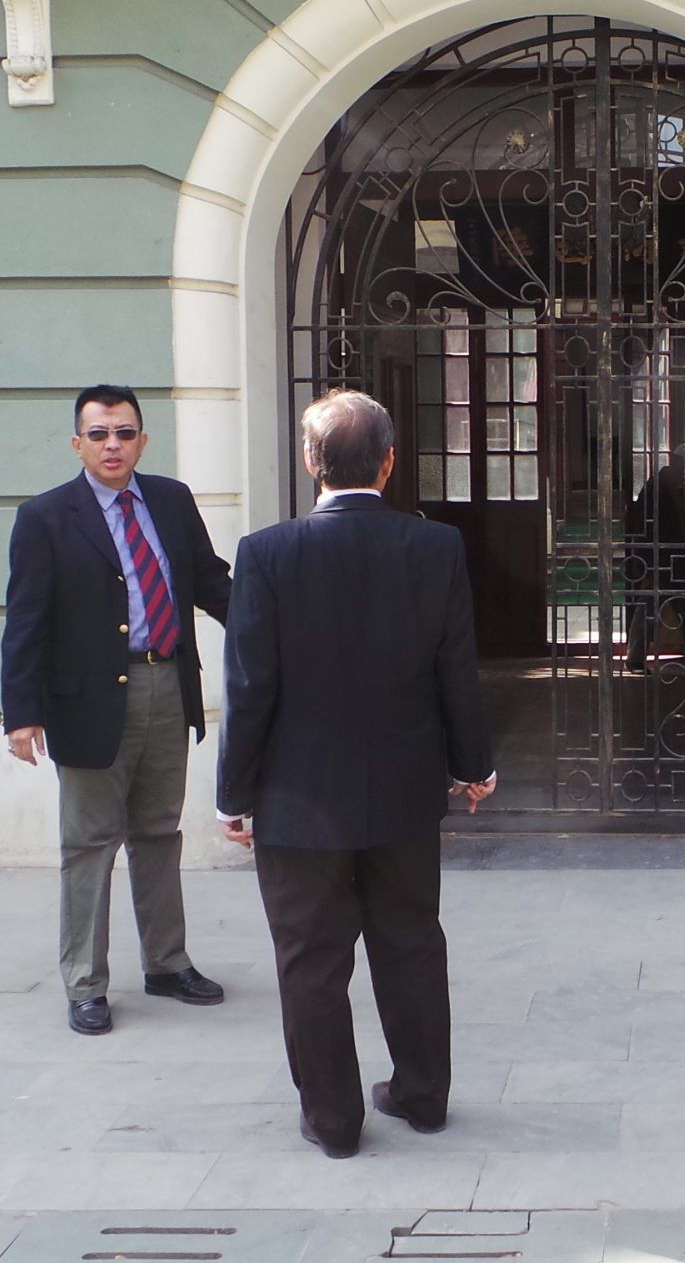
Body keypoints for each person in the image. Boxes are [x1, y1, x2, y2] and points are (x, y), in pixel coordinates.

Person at [215, 389, 497, 1160]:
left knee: (311, 958)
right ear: (390, 462)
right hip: (404, 789)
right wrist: (473, 765)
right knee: (411, 943)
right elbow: (456, 669)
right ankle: (423, 1097)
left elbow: (250, 686)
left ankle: (334, 1121)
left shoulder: (266, 553)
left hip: (297, 796)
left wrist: (233, 794)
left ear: (312, 462)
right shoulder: (435, 547)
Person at [1, 383, 232, 1037]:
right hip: (88, 704)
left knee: (158, 831)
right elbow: (26, 623)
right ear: (77, 443)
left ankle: (167, 963)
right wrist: (21, 714)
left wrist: (275, 626)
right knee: (90, 844)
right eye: (99, 434)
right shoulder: (46, 517)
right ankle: (86, 983)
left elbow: (212, 583)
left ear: (142, 441)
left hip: (167, 685)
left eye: (124, 433)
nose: (112, 445)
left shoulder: (171, 500)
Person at [627, 444, 685, 675]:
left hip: (682, 561)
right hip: (660, 560)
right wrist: (646, 566)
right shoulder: (655, 490)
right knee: (650, 608)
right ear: (678, 464)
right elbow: (644, 530)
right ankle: (636, 659)